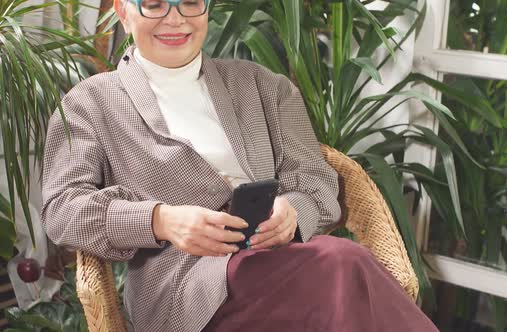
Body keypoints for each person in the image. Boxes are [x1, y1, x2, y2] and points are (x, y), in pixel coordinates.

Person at [40, 0, 439, 331]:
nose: (175, 18)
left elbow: (316, 178)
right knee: (344, 264)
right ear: (124, 12)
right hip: (190, 291)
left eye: (191, 3)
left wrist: (293, 213)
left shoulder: (264, 86)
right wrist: (160, 220)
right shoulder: (89, 104)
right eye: (155, 4)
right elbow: (62, 209)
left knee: (340, 279)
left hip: (284, 259)